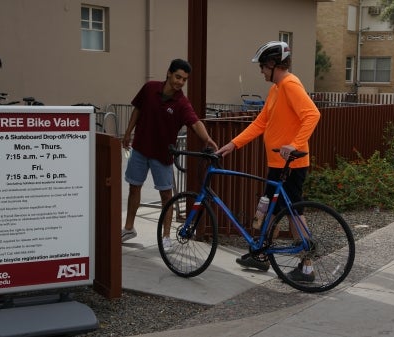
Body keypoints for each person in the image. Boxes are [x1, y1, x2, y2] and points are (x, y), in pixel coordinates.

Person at [216, 41, 320, 282]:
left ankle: (307, 266)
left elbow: (312, 114)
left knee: (294, 212)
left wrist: (294, 144)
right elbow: (260, 123)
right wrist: (233, 145)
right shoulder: (276, 89)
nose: (261, 71)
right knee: (268, 208)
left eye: (262, 66)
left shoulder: (290, 84)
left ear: (274, 64)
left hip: (291, 165)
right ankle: (261, 255)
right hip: (277, 164)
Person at [121, 58, 218, 251]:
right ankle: (129, 228)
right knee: (134, 188)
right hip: (140, 148)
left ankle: (166, 237)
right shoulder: (149, 88)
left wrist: (207, 139)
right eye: (178, 77)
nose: (180, 82)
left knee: (167, 196)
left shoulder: (182, 103)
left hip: (162, 155)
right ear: (169, 73)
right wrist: (127, 133)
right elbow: (137, 110)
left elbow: (195, 121)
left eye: (184, 79)